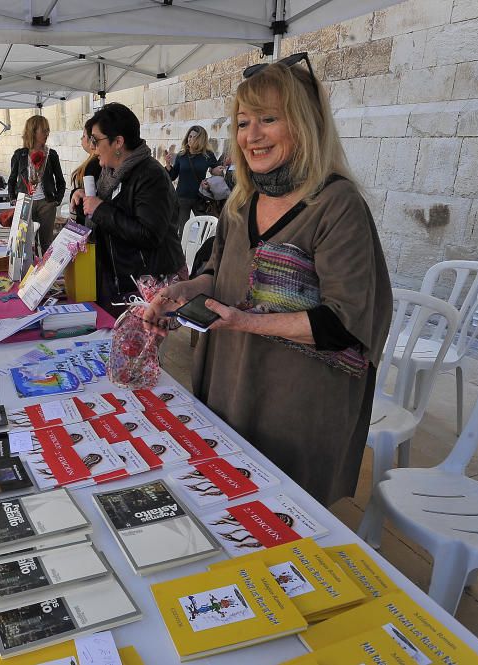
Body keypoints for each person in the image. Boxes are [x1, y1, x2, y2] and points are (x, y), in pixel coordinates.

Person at [144, 54, 393, 506]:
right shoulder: (241, 204)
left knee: (281, 516)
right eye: (242, 123)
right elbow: (219, 274)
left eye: (268, 119)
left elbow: (345, 321)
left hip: (296, 403)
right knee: (222, 501)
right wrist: (183, 292)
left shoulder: (337, 206)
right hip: (228, 381)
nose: (251, 135)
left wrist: (245, 321)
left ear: (304, 123)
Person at [69, 103, 182, 310]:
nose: (92, 147)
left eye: (96, 140)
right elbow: (105, 213)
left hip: (145, 286)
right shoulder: (110, 173)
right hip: (116, 279)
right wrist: (81, 197)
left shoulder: (150, 175)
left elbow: (149, 234)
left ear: (118, 142)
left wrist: (100, 209)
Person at [7, 115, 65, 251]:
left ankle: (46, 272)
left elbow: (60, 180)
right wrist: (13, 199)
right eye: (44, 130)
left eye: (48, 130)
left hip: (46, 204)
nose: (47, 134)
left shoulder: (51, 154)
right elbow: (12, 179)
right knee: (25, 245)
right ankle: (29, 271)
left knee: (47, 244)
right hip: (26, 203)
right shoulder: (19, 155)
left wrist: (56, 200)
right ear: (33, 131)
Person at [165, 125, 224, 223]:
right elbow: (172, 176)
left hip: (199, 197)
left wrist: (218, 170)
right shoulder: (181, 155)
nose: (190, 139)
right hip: (182, 198)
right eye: (189, 136)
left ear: (200, 139)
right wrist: (168, 165)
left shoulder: (207, 155)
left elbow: (215, 170)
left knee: (205, 227)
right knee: (181, 230)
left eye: (194, 137)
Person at [68, 118, 102, 226]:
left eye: (83, 136)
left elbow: (88, 204)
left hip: (88, 226)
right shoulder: (93, 163)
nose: (81, 139)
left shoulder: (94, 165)